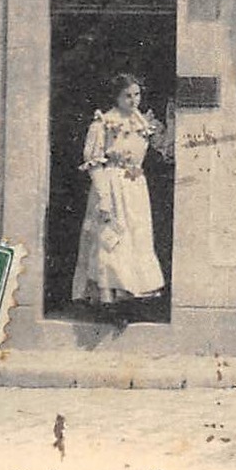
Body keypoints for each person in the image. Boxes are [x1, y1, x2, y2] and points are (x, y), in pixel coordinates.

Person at [72, 73, 169, 321]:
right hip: (113, 186)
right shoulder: (104, 123)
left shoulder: (142, 122)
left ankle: (131, 299)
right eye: (127, 95)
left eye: (137, 94)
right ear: (116, 96)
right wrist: (103, 197)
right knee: (112, 240)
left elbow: (163, 149)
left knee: (137, 241)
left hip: (136, 188)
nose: (134, 100)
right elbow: (93, 163)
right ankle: (108, 302)